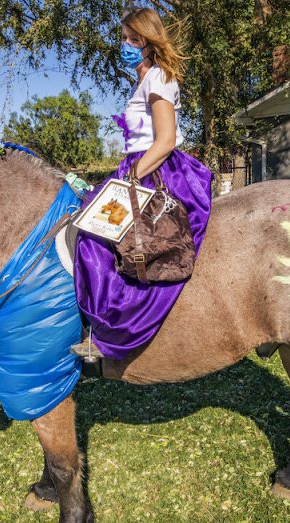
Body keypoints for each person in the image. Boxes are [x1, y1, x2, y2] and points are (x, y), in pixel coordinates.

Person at [71, 7, 213, 361]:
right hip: (137, 166)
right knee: (91, 231)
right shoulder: (145, 79)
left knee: (95, 241)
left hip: (154, 170)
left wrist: (133, 180)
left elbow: (165, 140)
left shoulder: (158, 78)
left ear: (150, 44)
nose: (127, 45)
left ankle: (113, 331)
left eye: (135, 39)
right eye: (124, 38)